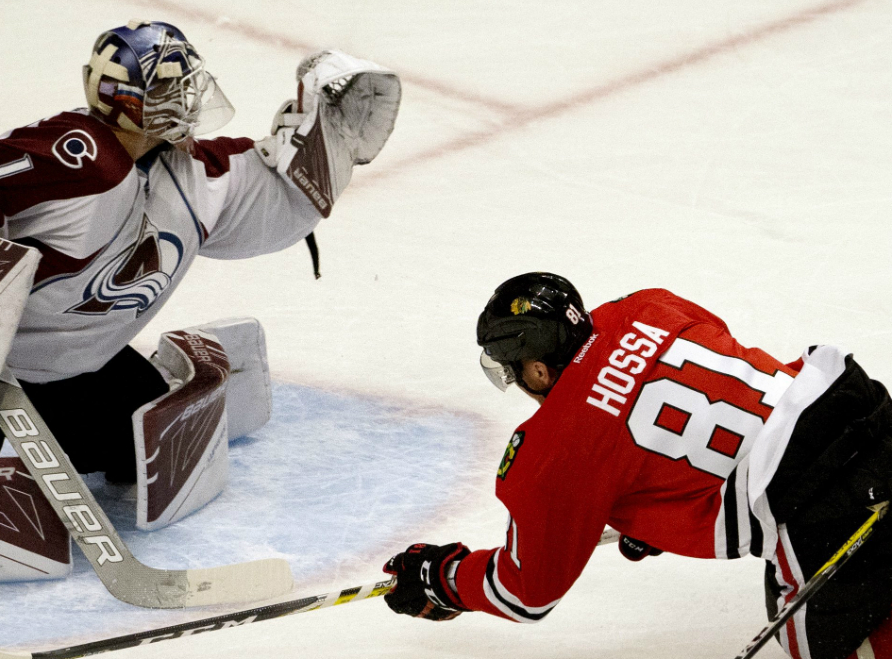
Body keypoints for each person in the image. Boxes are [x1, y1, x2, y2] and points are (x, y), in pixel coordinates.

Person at [0, 20, 400, 481]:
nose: (184, 101)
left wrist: (329, 138)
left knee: (146, 456)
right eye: (166, 88)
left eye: (185, 86)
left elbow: (276, 208)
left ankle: (159, 380)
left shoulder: (193, 176)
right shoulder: (79, 156)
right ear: (123, 100)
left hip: (62, 366)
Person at [381, 272, 892, 659]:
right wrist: (657, 503)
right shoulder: (645, 305)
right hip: (862, 411)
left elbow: (525, 592)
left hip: (818, 505)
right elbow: (716, 373)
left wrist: (442, 578)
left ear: (536, 369)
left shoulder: (552, 450)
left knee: (815, 642)